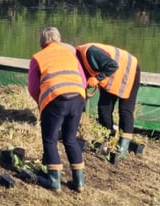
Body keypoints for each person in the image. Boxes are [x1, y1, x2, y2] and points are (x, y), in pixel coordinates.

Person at [28, 27, 86, 191]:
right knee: (70, 138)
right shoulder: (70, 54)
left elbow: (33, 88)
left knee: (50, 139)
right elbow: (83, 80)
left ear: (42, 42)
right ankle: (79, 182)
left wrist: (42, 103)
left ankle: (54, 180)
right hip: (77, 97)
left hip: (55, 98)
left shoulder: (38, 57)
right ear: (59, 40)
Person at [75, 43, 140, 162]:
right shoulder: (77, 65)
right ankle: (107, 141)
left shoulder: (90, 52)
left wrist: (97, 78)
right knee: (104, 108)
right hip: (111, 78)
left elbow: (113, 65)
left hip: (129, 69)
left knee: (125, 110)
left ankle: (123, 149)